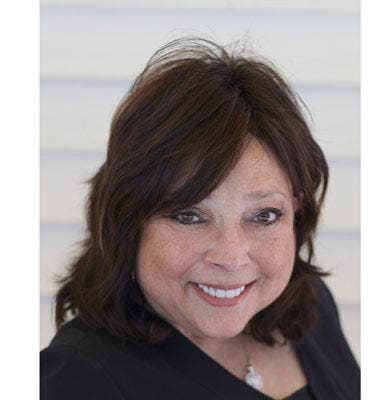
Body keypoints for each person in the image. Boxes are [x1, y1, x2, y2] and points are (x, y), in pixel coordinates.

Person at [40, 37, 360, 400]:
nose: (232, 257)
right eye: (189, 215)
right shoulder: (77, 380)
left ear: (297, 210)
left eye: (264, 215)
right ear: (128, 221)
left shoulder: (310, 306)